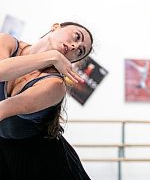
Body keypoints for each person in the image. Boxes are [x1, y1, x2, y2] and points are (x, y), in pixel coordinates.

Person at [0, 22, 93, 180]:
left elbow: (3, 109)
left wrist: (53, 57)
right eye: (76, 37)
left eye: (79, 51)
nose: (73, 46)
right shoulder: (6, 42)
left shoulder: (55, 85)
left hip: (44, 164)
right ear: (56, 27)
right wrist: (52, 56)